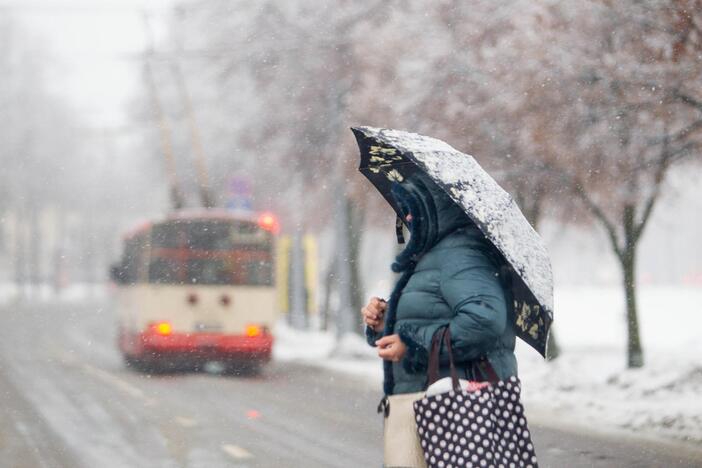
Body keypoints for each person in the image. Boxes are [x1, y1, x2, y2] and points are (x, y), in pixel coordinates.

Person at [361, 172, 517, 396]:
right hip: (434, 408)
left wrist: (414, 345)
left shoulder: (461, 255)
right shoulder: (435, 253)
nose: (408, 217)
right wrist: (385, 322)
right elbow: (433, 314)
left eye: (413, 206)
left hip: (456, 413)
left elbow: (484, 320)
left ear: (435, 206)